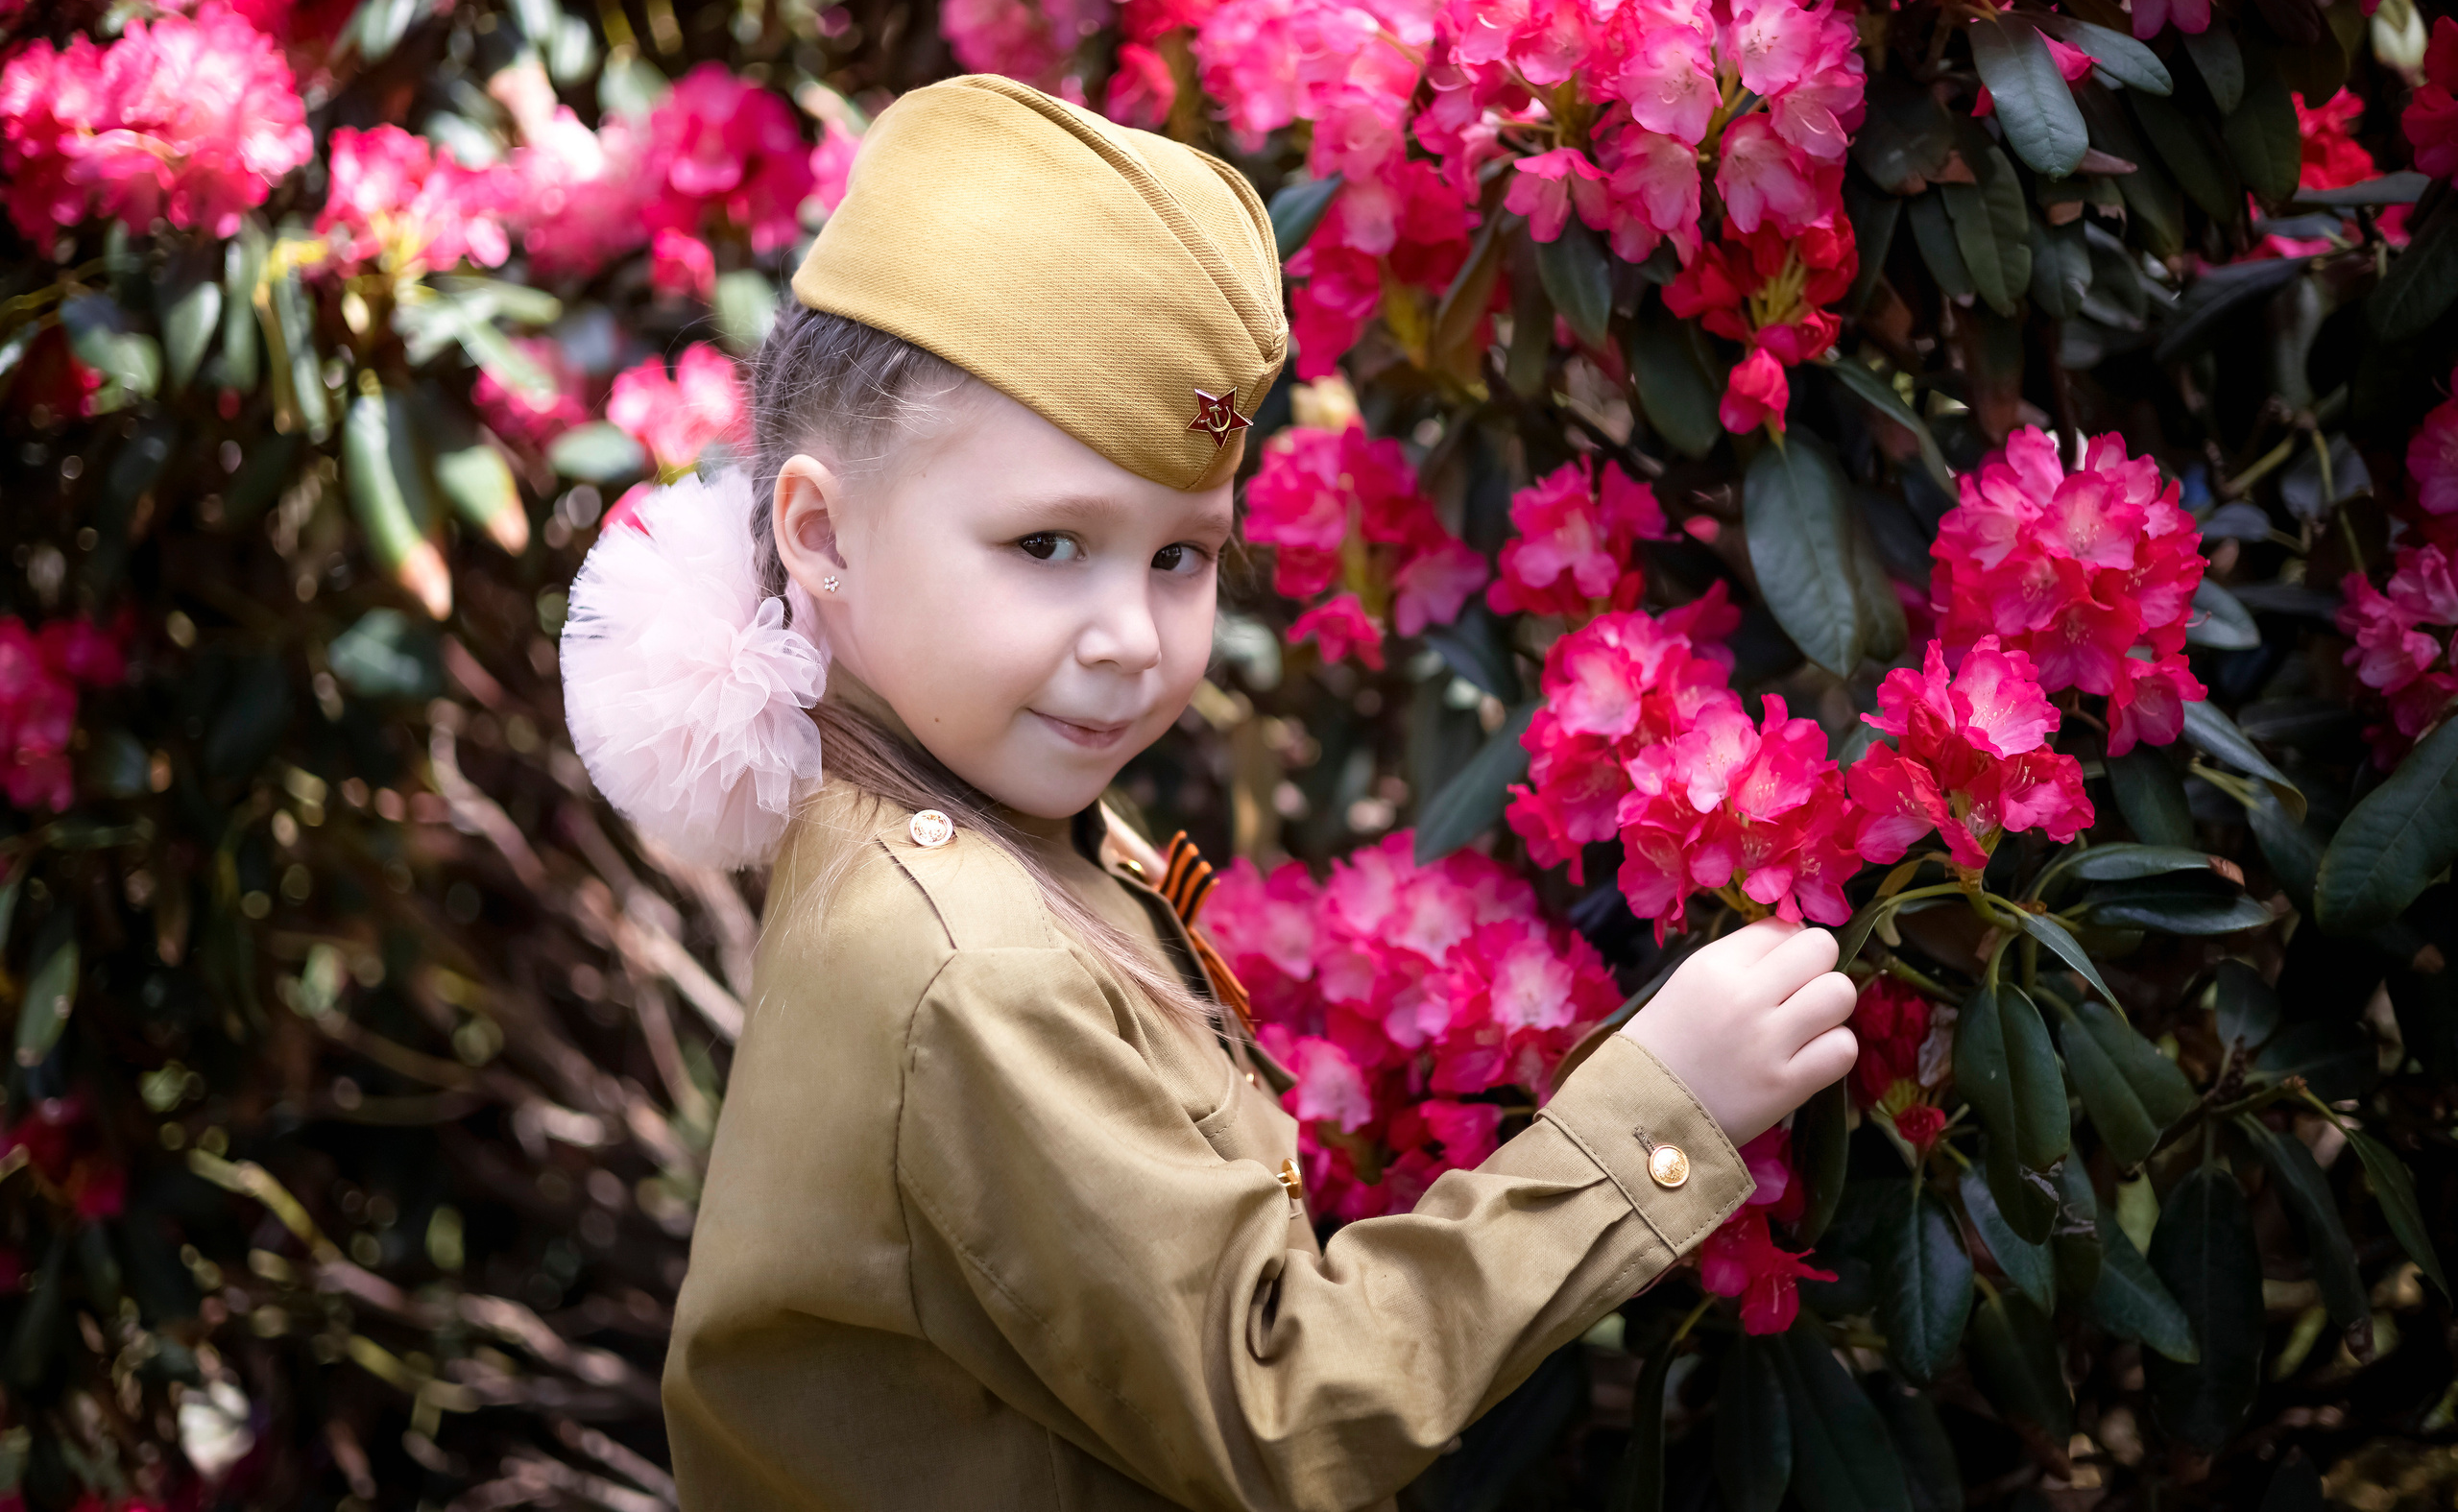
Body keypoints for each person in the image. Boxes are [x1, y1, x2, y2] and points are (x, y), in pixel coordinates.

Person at [559, 73, 1860, 1512]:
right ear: (823, 533)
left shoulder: (943, 804)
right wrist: (1657, 1115)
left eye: (1180, 556)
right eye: (1049, 544)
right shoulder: (971, 964)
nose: (1131, 636)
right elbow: (1280, 1405)